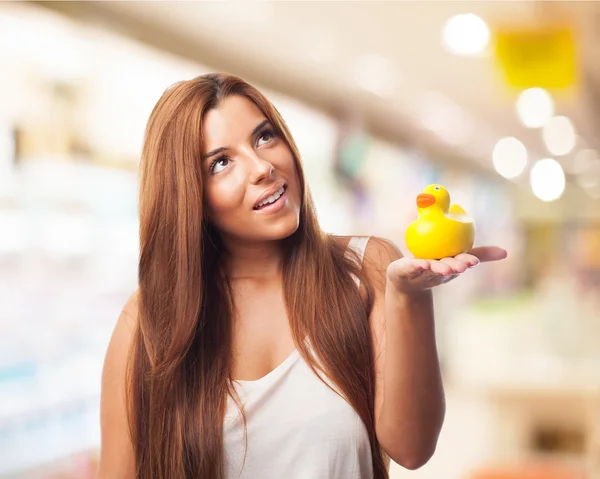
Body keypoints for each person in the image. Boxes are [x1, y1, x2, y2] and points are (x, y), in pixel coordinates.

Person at [96, 72, 506, 479]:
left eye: (264, 137)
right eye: (221, 162)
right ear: (189, 196)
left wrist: (410, 297)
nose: (261, 167)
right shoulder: (149, 320)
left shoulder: (364, 268)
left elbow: (412, 447)